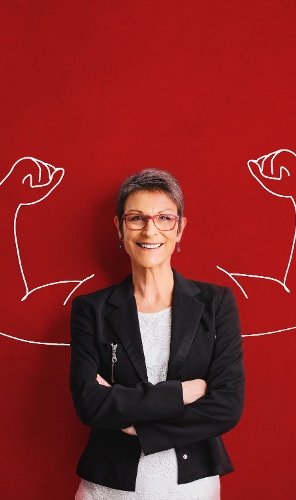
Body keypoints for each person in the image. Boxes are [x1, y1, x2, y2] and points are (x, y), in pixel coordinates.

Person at [69, 169, 245, 499]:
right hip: (107, 490)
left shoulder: (216, 303)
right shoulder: (90, 309)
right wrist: (179, 394)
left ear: (179, 228)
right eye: (136, 218)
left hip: (192, 489)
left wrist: (136, 425)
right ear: (120, 228)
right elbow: (89, 403)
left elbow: (226, 406)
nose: (150, 229)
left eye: (164, 217)